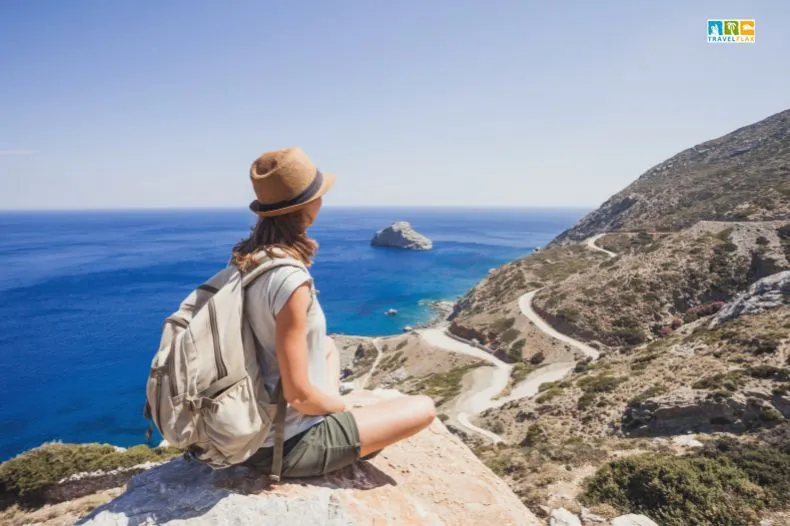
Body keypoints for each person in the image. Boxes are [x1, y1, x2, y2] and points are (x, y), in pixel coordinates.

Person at [233, 147, 436, 478]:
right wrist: (341, 408)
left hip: (247, 425)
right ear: (308, 208)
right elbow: (298, 394)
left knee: (326, 346)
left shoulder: (246, 260)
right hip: (283, 445)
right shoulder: (291, 280)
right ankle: (328, 422)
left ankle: (324, 414)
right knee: (423, 408)